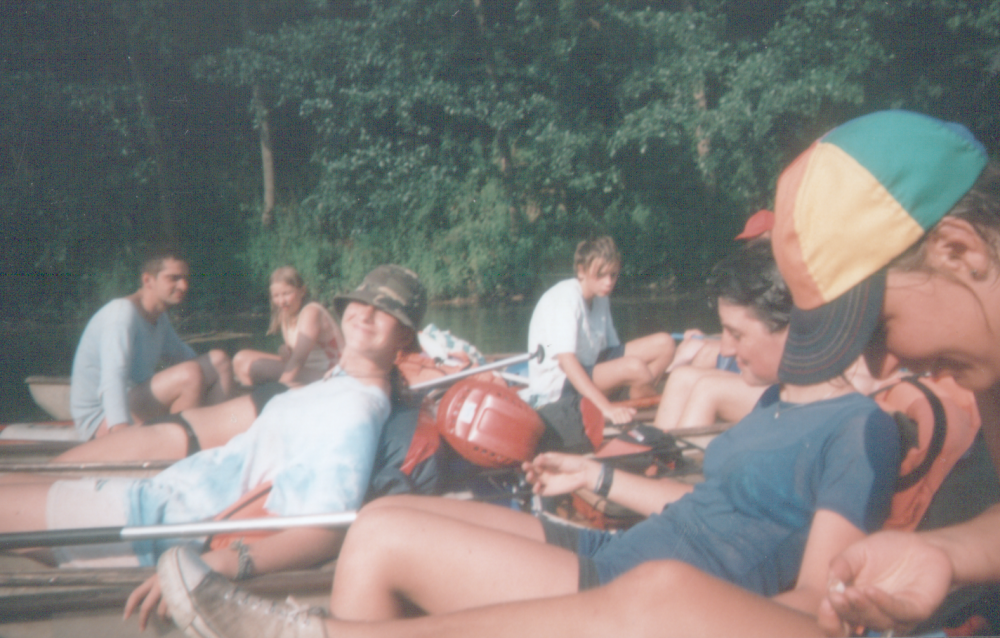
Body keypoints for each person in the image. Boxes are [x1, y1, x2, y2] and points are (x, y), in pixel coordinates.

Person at [153, 241, 901, 637]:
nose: (726, 350)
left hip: (650, 594)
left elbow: (817, 602)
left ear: (798, 327)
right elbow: (703, 507)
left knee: (385, 547)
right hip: (624, 552)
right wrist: (595, 477)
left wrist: (677, 600)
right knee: (379, 518)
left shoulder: (857, 429)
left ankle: (309, 634)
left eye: (737, 334)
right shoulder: (771, 402)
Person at [0, 265, 427, 632]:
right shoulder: (338, 384)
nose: (365, 313)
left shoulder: (357, 406)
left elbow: (326, 526)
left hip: (160, 524)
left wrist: (224, 563)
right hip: (161, 497)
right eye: (361, 302)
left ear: (404, 336)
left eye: (384, 311)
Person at [68, 248, 234, 440]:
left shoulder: (158, 317)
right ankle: (178, 447)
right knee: (190, 375)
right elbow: (113, 379)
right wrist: (120, 434)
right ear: (148, 280)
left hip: (135, 401)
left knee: (219, 361)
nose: (183, 286)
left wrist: (233, 377)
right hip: (102, 419)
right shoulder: (121, 315)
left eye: (185, 278)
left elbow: (186, 357)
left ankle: (217, 437)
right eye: (173, 278)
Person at [524, 236, 676, 426]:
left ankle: (634, 398)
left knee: (665, 344)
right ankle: (646, 411)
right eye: (601, 275)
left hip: (590, 366)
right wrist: (606, 408)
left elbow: (613, 350)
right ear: (581, 271)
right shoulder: (566, 298)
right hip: (557, 386)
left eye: (613, 275)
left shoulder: (601, 297)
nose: (608, 282)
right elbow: (567, 362)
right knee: (636, 369)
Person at [233, 266, 345, 387]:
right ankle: (253, 394)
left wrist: (280, 390)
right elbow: (293, 356)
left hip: (331, 376)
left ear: (302, 291)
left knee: (256, 367)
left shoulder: (311, 312)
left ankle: (272, 394)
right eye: (276, 296)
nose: (281, 301)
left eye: (286, 293)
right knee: (240, 359)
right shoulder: (285, 315)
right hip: (307, 371)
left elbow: (298, 360)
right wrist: (284, 350)